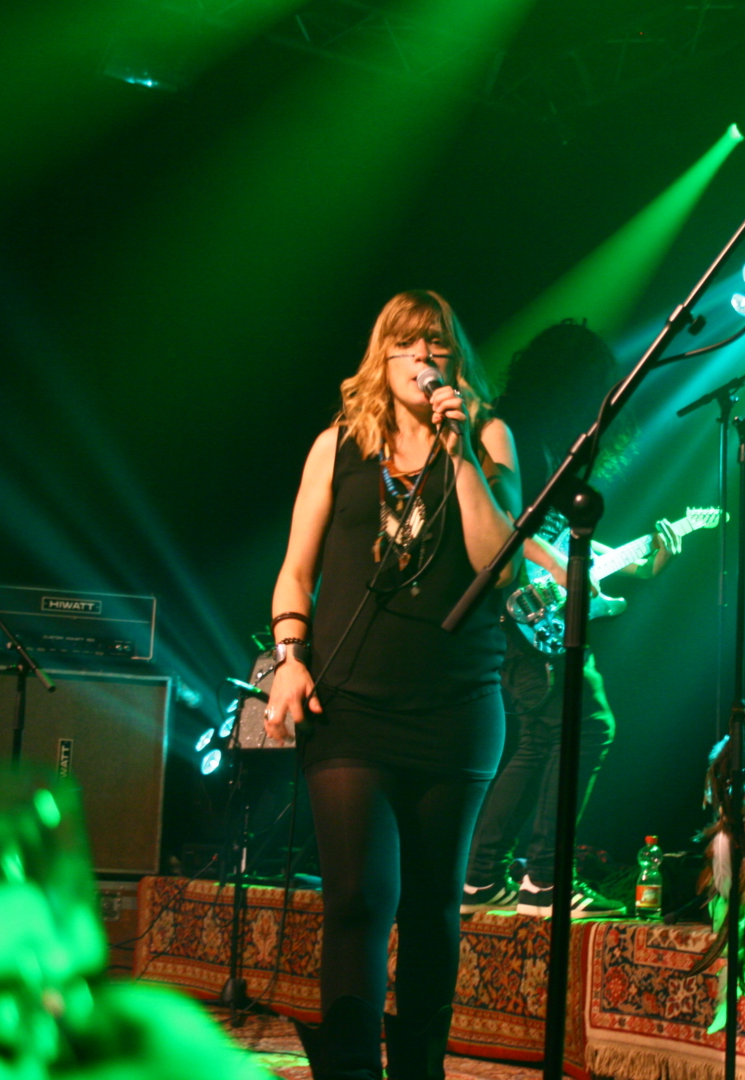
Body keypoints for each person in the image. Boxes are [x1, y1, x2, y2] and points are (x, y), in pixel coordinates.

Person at [264, 290, 520, 1080]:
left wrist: (460, 455)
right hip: (349, 706)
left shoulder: (488, 437)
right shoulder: (338, 446)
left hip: (456, 705)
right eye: (406, 343)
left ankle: (419, 1072)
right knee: (358, 899)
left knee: (433, 904)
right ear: (382, 357)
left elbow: (500, 567)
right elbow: (296, 570)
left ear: (455, 359)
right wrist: (289, 657)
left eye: (436, 344)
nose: (423, 357)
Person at [458, 320, 680, 919]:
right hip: (516, 610)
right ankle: (544, 880)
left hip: (530, 614)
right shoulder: (513, 435)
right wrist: (554, 568)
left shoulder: (554, 448)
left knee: (541, 738)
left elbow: (560, 540)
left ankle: (482, 878)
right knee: (590, 726)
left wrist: (639, 564)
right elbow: (505, 524)